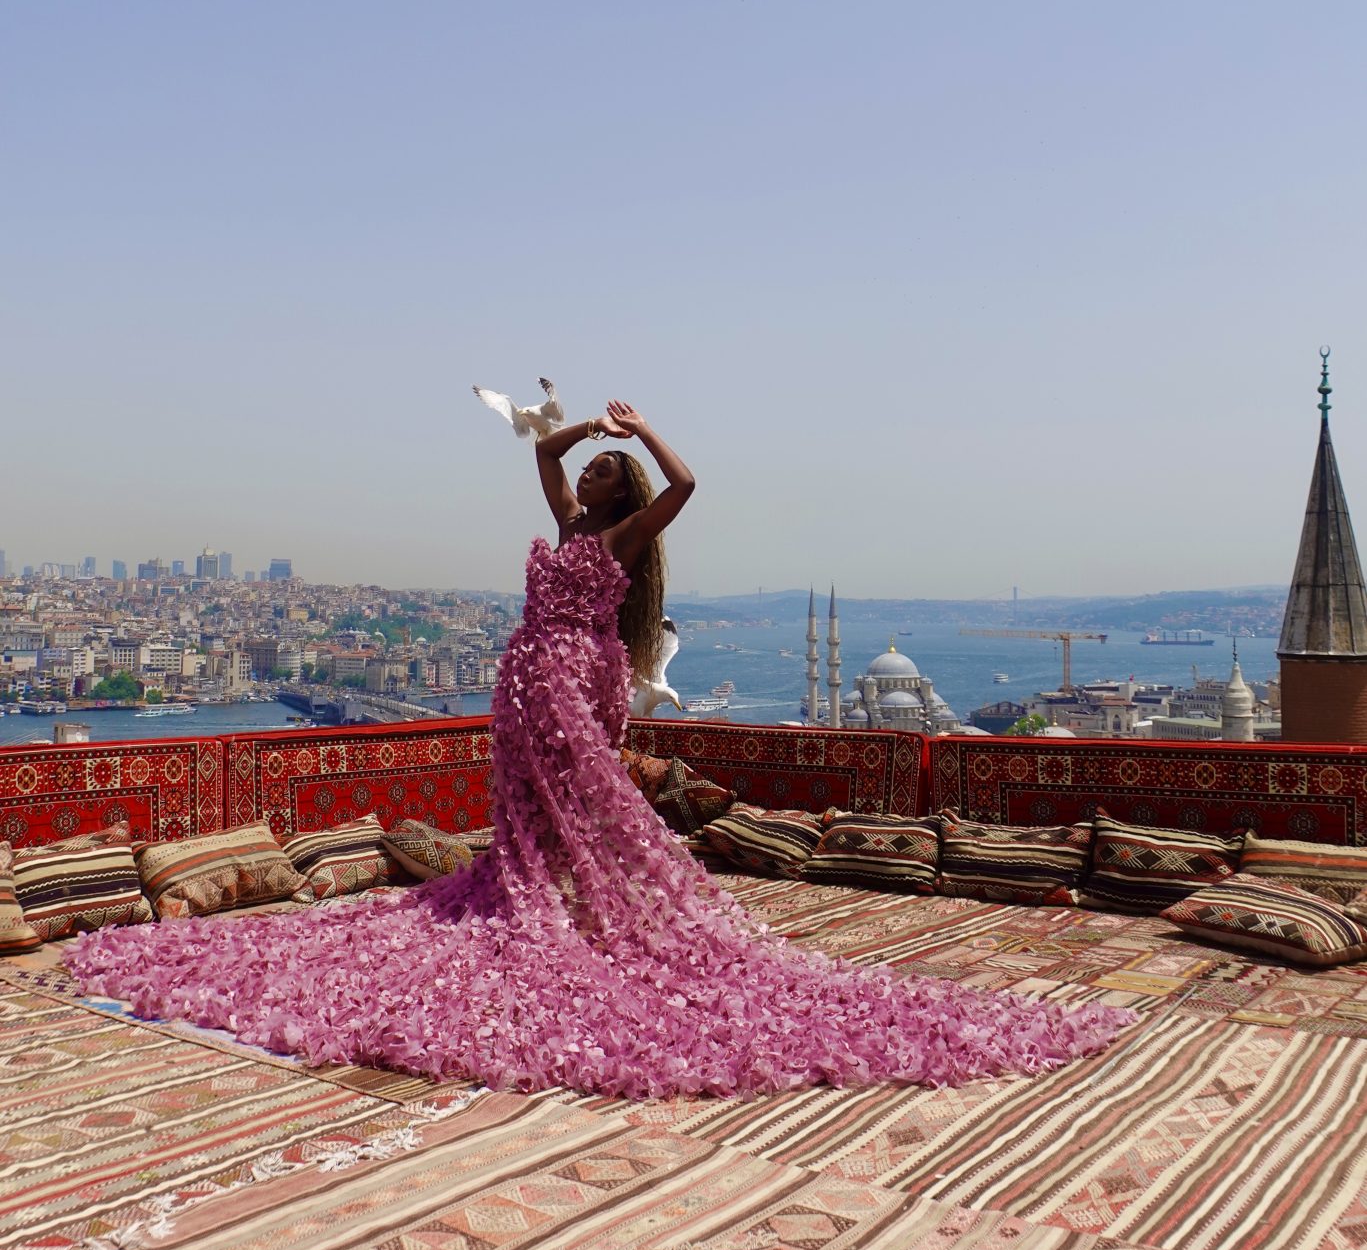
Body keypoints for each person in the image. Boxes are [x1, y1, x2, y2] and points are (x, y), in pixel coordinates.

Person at [70, 404, 1133, 1098]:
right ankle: (561, 896)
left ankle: (580, 906)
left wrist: (645, 429)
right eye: (602, 477)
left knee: (587, 807)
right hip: (527, 672)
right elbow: (539, 454)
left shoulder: (617, 539)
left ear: (621, 505)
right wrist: (576, 426)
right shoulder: (573, 518)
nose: (596, 483)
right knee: (538, 811)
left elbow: (688, 485)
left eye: (608, 478)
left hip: (570, 672)